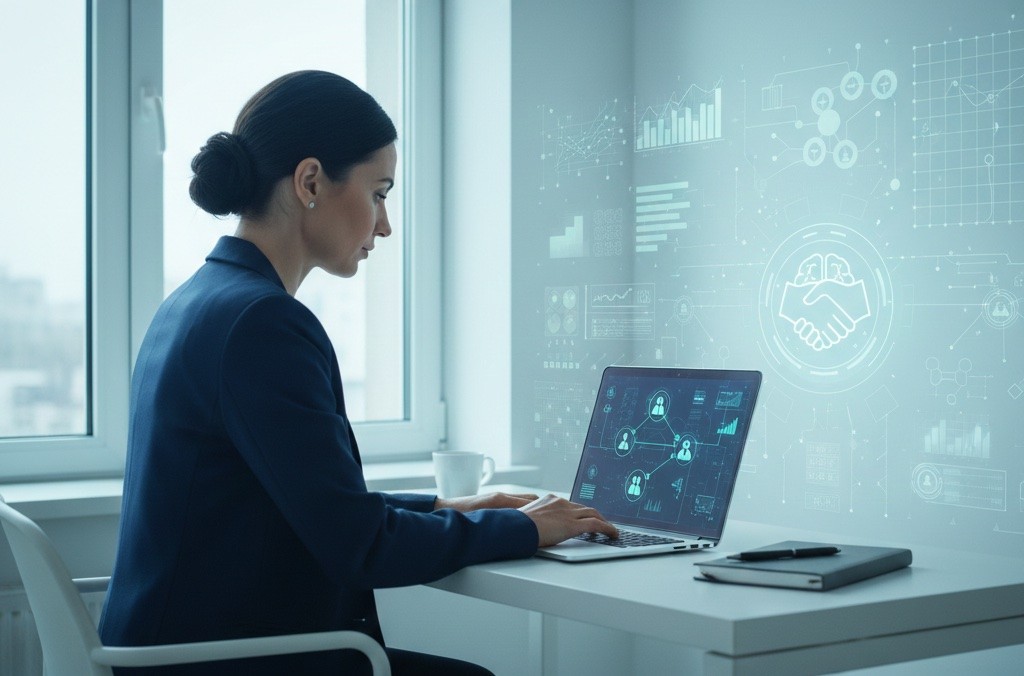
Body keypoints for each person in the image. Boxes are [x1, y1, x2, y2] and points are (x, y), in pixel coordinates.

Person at [98, 70, 617, 675]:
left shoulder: (196, 302)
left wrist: (454, 506)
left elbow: (316, 505)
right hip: (223, 661)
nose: (385, 224)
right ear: (311, 181)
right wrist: (523, 530)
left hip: (173, 652)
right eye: (379, 192)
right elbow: (359, 548)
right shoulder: (262, 324)